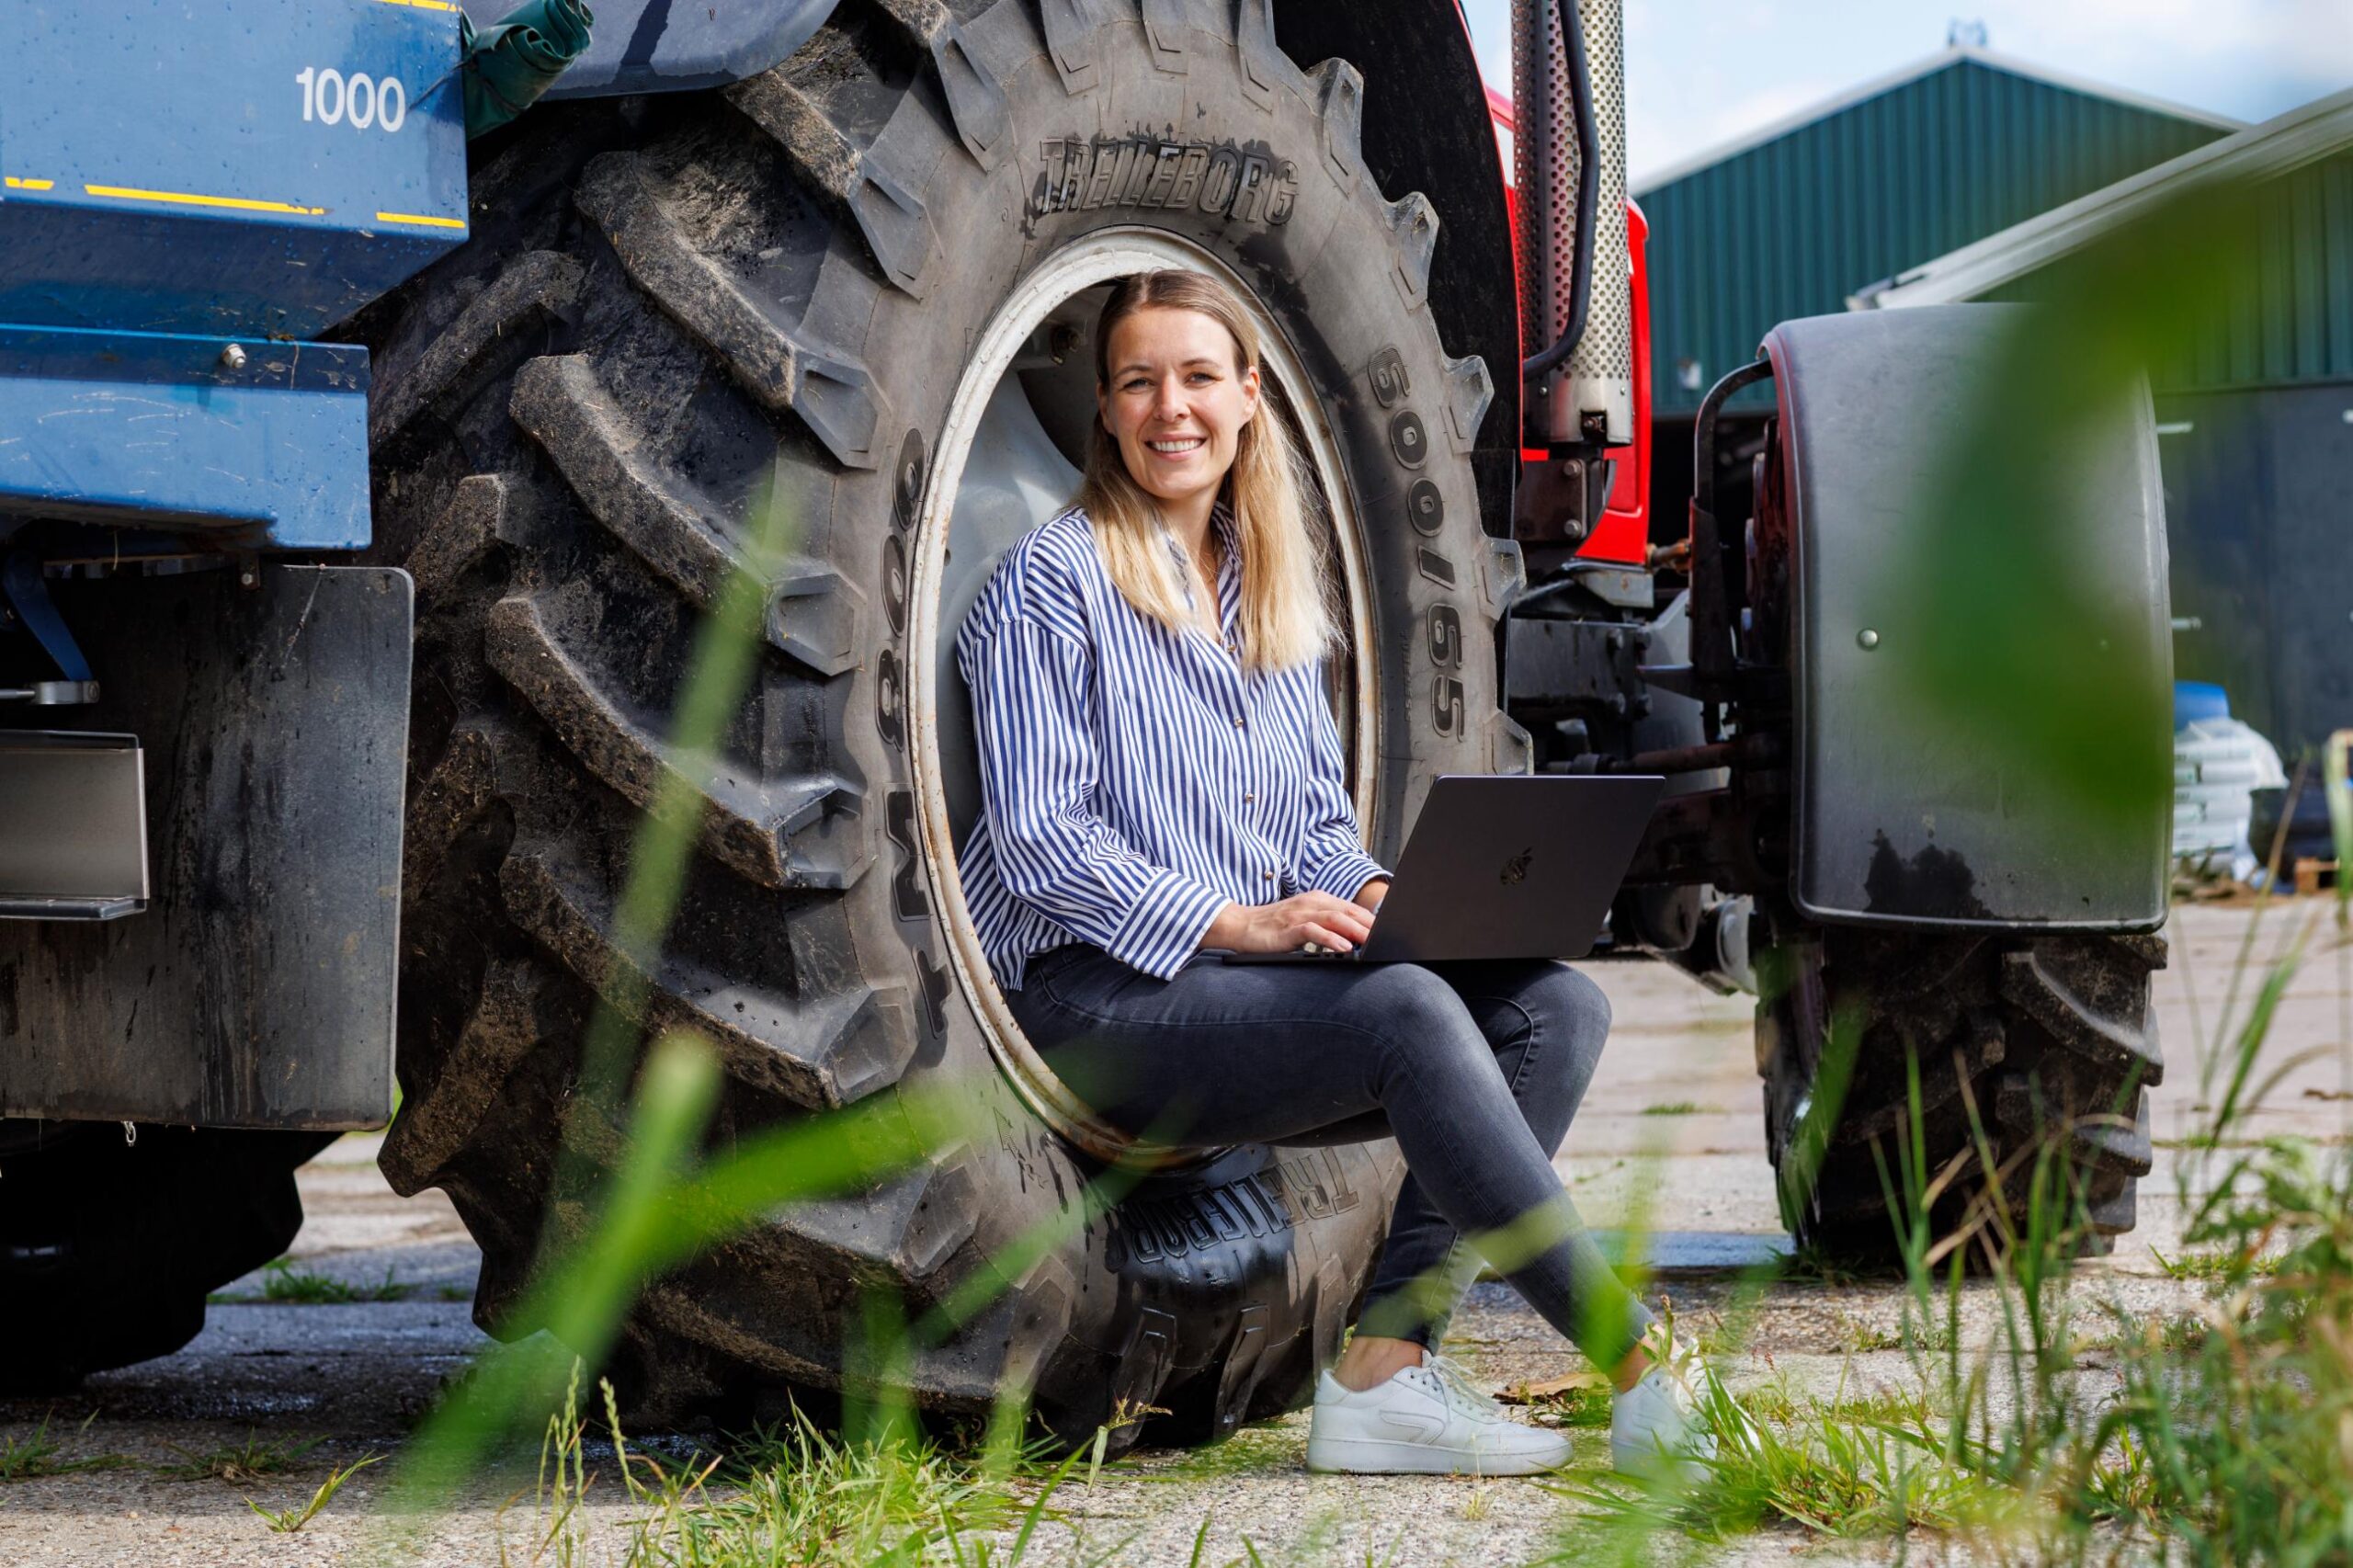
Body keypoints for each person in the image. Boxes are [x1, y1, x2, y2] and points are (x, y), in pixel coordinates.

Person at [955, 268, 1718, 1478]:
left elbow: (1312, 822)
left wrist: (1374, 897)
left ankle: (1383, 1372)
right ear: (1103, 409)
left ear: (1249, 396)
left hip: (1216, 991)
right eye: (1141, 381)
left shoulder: (1262, 593)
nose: (1173, 408)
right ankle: (1639, 1371)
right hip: (1085, 992)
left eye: (1201, 376)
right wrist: (1242, 925)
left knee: (1555, 1007)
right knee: (1407, 1012)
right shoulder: (1052, 585)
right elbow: (1045, 839)